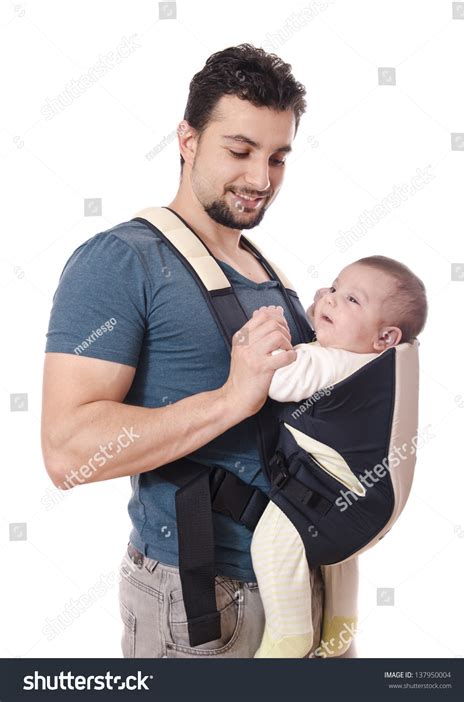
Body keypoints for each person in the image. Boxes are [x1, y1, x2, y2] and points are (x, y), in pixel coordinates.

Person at [41, 44, 352, 658]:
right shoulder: (122, 261)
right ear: (187, 139)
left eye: (278, 158)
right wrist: (232, 397)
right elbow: (66, 449)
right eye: (239, 151)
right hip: (203, 601)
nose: (260, 179)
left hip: (301, 588)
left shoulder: (268, 270)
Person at [250, 256, 428, 658]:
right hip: (368, 513)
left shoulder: (328, 360)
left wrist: (264, 340)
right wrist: (329, 319)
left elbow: (276, 380)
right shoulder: (381, 363)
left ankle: (289, 637)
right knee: (336, 558)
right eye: (332, 288)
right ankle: (340, 625)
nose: (329, 299)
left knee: (271, 545)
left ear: (386, 337)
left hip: (329, 503)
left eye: (351, 300)